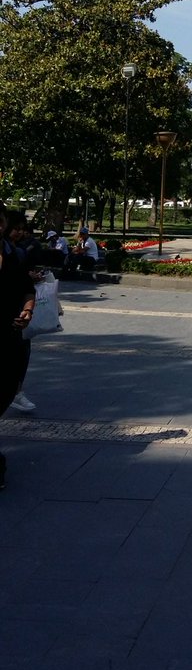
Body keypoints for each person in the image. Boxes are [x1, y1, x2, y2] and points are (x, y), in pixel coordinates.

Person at [0, 205, 36, 484]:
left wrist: (27, 310)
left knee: (7, 390)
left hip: (9, 338)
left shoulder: (15, 255)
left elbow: (27, 288)